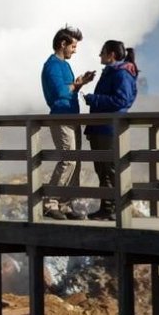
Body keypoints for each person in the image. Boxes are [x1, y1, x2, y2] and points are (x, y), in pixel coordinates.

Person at [41, 26, 96, 220]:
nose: (75, 49)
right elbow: (60, 92)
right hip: (61, 117)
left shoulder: (64, 65)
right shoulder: (53, 66)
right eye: (73, 46)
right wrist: (78, 84)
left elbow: (68, 89)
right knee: (68, 159)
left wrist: (81, 82)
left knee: (75, 161)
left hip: (71, 117)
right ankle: (49, 202)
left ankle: (64, 205)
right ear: (62, 44)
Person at [82, 40, 139, 220]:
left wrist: (94, 99)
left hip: (109, 129)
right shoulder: (113, 72)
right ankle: (107, 208)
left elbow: (122, 101)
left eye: (102, 52)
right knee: (103, 170)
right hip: (102, 128)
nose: (100, 55)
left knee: (110, 170)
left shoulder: (121, 74)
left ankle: (115, 209)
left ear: (111, 54)